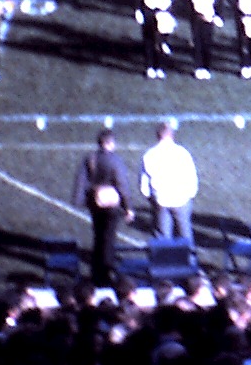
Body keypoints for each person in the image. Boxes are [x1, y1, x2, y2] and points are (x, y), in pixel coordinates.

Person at [71, 129, 135, 286]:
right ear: (111, 143)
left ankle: (96, 272)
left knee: (98, 236)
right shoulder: (115, 161)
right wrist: (128, 207)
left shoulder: (90, 158)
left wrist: (79, 201)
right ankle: (106, 273)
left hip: (95, 202)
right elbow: (122, 184)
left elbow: (81, 180)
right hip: (111, 204)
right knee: (109, 239)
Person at [139, 119, 198, 247]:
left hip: (160, 200)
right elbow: (192, 177)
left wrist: (151, 199)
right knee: (185, 235)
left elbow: (144, 186)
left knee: (162, 237)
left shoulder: (149, 155)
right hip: (181, 200)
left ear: (157, 135)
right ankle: (190, 264)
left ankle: (163, 265)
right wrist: (190, 195)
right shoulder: (182, 153)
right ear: (172, 135)